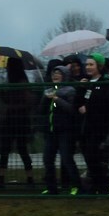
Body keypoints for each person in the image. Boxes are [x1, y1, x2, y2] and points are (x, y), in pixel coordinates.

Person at [75, 53, 109, 194]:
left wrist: (90, 107)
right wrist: (81, 89)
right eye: (86, 64)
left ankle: (105, 186)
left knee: (94, 155)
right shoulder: (86, 82)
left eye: (91, 64)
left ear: (99, 66)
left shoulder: (106, 82)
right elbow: (78, 102)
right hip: (86, 125)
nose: (88, 67)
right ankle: (98, 185)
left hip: (100, 125)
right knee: (88, 156)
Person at [0, 58, 35, 189]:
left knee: (8, 150)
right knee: (21, 149)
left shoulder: (18, 83)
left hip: (14, 120)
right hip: (20, 120)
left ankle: (2, 178)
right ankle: (29, 178)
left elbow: (18, 102)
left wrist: (5, 98)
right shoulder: (21, 82)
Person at [40, 66, 80, 195]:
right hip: (51, 131)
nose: (55, 75)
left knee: (67, 159)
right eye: (53, 73)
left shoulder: (70, 91)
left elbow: (72, 109)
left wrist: (57, 99)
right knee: (47, 159)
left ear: (65, 75)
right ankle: (51, 188)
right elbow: (41, 110)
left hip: (65, 131)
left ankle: (77, 186)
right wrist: (45, 99)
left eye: (58, 73)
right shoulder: (48, 90)